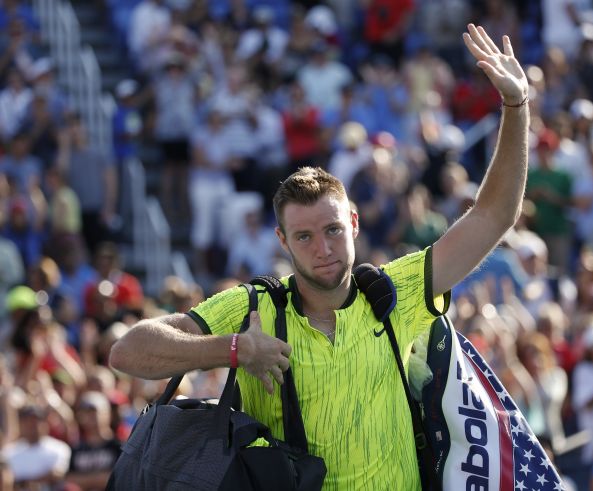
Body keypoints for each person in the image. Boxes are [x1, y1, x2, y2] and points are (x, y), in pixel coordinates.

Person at [109, 24, 529, 490]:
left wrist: (515, 106)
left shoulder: (398, 290)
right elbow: (128, 351)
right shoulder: (254, 309)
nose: (323, 248)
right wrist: (232, 350)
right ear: (282, 242)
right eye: (304, 237)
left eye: (332, 230)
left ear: (353, 223)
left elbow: (493, 215)